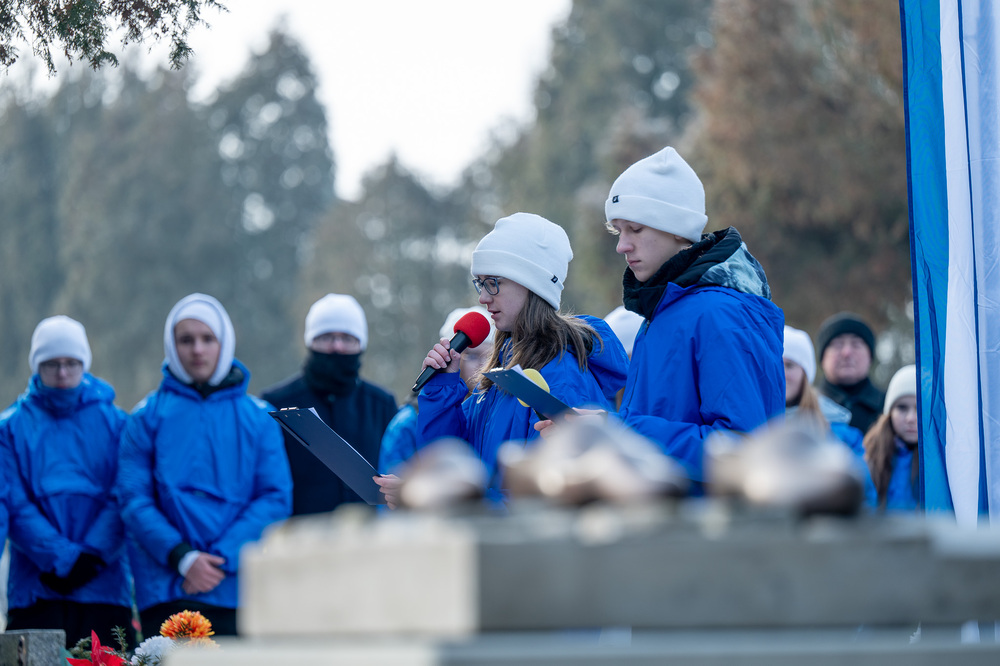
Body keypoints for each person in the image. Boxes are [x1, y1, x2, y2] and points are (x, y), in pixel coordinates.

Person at [385, 213, 628, 505]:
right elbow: (455, 459)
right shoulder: (500, 372)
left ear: (532, 285)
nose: (484, 298)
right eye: (480, 283)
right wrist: (444, 387)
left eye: (494, 283)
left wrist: (458, 503)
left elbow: (547, 495)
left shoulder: (560, 375)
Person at [598, 146, 785, 488]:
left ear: (678, 231)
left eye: (635, 229)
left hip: (710, 535)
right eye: (618, 230)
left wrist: (619, 432)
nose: (621, 245)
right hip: (669, 531)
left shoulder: (722, 314)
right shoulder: (660, 314)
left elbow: (743, 453)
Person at [117, 293, 292, 636]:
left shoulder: (259, 419)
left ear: (223, 342)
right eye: (186, 340)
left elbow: (274, 497)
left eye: (207, 339)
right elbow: (134, 500)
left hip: (236, 591)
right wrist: (183, 558)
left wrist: (220, 559)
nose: (197, 350)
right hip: (167, 590)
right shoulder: (145, 418)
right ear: (172, 345)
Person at [1, 316, 133, 648]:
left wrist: (92, 556)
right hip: (37, 588)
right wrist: (62, 560)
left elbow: (125, 493)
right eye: (51, 364)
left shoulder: (118, 425)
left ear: (84, 364)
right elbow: (13, 501)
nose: (62, 373)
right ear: (36, 366)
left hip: (103, 586)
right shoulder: (11, 428)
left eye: (71, 363)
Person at [261, 293, 397, 515]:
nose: (337, 347)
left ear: (360, 344)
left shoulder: (382, 405)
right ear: (310, 341)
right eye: (326, 337)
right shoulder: (275, 402)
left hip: (369, 541)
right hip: (297, 539)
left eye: (347, 338)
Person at [378, 306, 495, 475]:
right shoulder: (409, 422)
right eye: (472, 356)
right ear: (449, 358)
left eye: (490, 357)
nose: (483, 365)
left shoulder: (487, 412)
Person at [816, 312, 885, 433]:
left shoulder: (890, 407)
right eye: (838, 344)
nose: (846, 353)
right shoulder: (807, 406)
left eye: (856, 344)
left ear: (870, 356)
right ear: (822, 357)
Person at [862, 364, 919, 511]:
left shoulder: (942, 461)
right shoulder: (871, 456)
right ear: (890, 412)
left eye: (919, 408)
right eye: (902, 408)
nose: (911, 418)